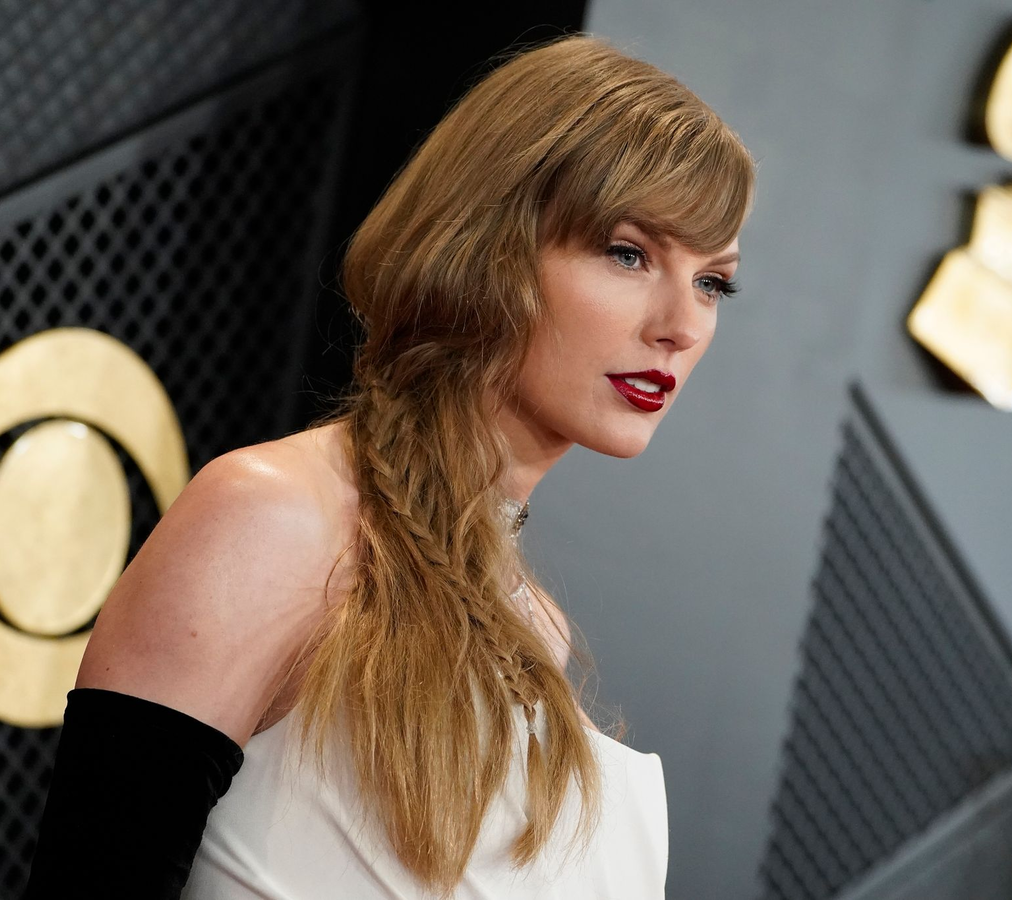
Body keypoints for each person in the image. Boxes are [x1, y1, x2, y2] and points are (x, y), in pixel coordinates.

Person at [23, 33, 754, 900]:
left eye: (713, 282)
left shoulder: (537, 632)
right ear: (488, 245)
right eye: (629, 254)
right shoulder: (275, 518)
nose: (681, 326)